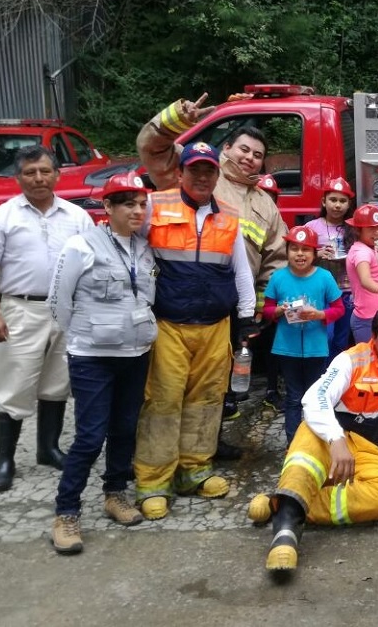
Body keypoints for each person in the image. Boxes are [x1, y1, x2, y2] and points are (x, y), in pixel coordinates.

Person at [137, 95, 288, 444]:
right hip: (176, 301)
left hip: (229, 306)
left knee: (215, 383)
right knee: (169, 385)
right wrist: (174, 118)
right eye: (244, 149)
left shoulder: (265, 204)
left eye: (258, 155)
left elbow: (274, 258)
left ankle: (207, 445)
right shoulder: (198, 173)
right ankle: (162, 453)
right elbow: (152, 148)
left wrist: (258, 311)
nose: (249, 158)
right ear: (228, 148)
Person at [260, 306, 378, 575]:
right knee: (306, 447)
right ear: (373, 337)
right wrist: (336, 439)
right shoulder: (351, 359)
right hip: (338, 437)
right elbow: (315, 399)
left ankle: (283, 503)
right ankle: (286, 530)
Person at [132, 142, 257, 520]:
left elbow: (240, 270)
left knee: (206, 400)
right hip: (169, 324)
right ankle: (154, 481)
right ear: (181, 172)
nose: (202, 177)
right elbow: (135, 257)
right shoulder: (156, 205)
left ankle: (195, 471)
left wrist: (246, 316)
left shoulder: (229, 216)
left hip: (216, 326)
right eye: (194, 170)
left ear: (217, 175)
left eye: (208, 171)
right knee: (163, 401)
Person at [46, 172, 158, 553]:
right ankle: (66, 513)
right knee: (91, 435)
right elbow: (59, 301)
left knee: (125, 429)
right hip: (92, 356)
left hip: (135, 353)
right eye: (127, 203)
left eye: (141, 204)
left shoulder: (143, 248)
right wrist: (79, 338)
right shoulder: (81, 245)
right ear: (107, 207)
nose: (137, 210)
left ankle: (115, 494)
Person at [0, 145, 94, 494]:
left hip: (65, 311)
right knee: (13, 387)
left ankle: (48, 449)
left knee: (56, 384)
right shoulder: (2, 216)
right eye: (30, 173)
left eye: (45, 171)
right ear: (19, 178)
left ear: (57, 175)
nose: (38, 178)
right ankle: (6, 461)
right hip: (20, 309)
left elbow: (93, 264)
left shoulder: (76, 216)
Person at [263, 226, 344, 443]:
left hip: (316, 348)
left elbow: (339, 309)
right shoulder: (278, 277)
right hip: (286, 348)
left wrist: (319, 314)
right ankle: (292, 443)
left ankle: (314, 442)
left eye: (306, 249)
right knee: (293, 397)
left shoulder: (324, 277)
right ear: (287, 251)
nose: (300, 254)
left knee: (314, 398)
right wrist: (279, 310)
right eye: (294, 249)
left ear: (314, 253)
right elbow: (267, 310)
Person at [305, 177, 356, 361]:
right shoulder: (311, 227)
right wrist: (317, 254)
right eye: (333, 200)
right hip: (322, 292)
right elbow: (298, 256)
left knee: (342, 339)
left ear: (349, 203)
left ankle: (335, 376)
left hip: (347, 291)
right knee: (326, 336)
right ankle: (321, 375)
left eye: (342, 201)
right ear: (323, 201)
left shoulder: (353, 228)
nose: (337, 205)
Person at [345, 204, 378, 344]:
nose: (377, 232)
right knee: (369, 362)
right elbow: (365, 279)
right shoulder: (361, 251)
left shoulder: (375, 249)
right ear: (358, 230)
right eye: (371, 228)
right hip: (368, 318)